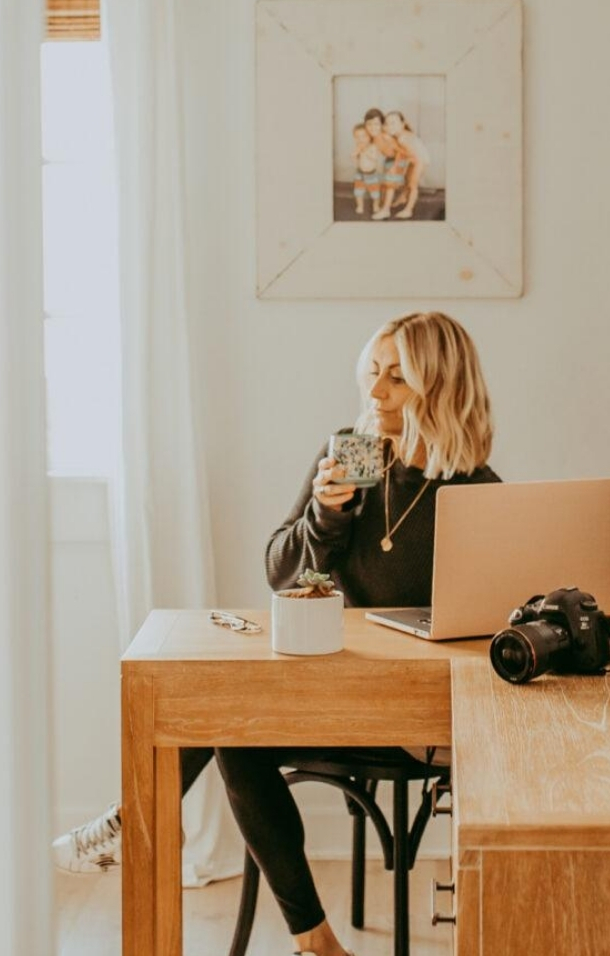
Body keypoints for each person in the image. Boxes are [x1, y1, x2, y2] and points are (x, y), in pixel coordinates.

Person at [53, 311, 501, 956]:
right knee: (233, 727)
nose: (375, 393)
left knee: (231, 726)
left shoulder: (477, 492)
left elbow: (487, 619)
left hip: (425, 716)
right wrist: (325, 516)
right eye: (372, 373)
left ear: (443, 386)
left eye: (398, 379)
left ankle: (137, 820)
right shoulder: (354, 453)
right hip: (341, 692)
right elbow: (280, 573)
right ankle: (313, 940)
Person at [350, 122, 383, 215]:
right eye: (357, 137)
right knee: (358, 192)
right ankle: (360, 206)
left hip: (372, 174)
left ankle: (376, 206)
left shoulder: (373, 147)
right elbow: (353, 158)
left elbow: (375, 158)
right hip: (360, 174)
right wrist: (354, 155)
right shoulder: (358, 147)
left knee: (375, 193)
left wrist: (365, 151)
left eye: (363, 136)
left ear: (370, 137)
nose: (360, 139)